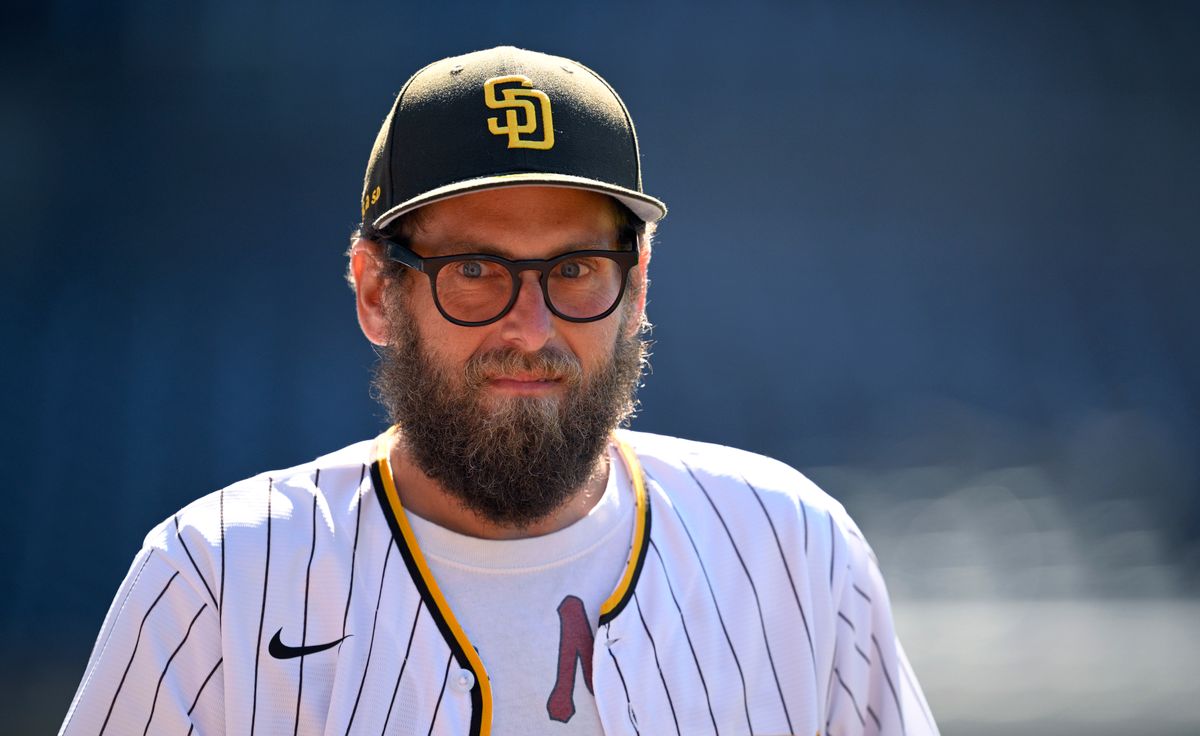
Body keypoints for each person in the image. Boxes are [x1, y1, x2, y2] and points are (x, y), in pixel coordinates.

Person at [61, 46, 937, 736]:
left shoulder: (796, 550)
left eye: (576, 268)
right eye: (474, 269)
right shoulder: (213, 578)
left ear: (637, 290)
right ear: (376, 292)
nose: (530, 327)